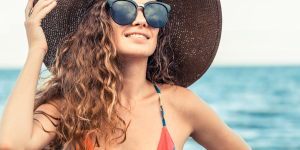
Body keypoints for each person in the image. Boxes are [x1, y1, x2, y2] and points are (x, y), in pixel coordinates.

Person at [0, 0, 251, 149]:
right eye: (124, 9)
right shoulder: (69, 104)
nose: (141, 21)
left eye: (153, 12)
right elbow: (12, 144)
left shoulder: (180, 104)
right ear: (99, 22)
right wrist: (36, 50)